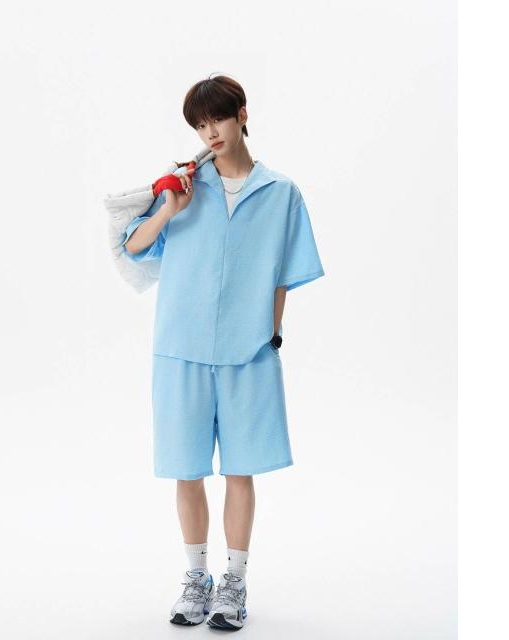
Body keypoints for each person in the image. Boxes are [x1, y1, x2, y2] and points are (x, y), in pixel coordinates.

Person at [122, 73, 325, 630]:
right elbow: (133, 246)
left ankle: (233, 582)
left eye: (218, 119)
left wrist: (272, 334)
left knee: (241, 470)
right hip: (180, 349)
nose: (210, 131)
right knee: (186, 470)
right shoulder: (186, 185)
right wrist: (170, 208)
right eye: (200, 124)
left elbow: (284, 274)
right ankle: (196, 578)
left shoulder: (281, 193)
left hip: (249, 352)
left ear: (242, 115)